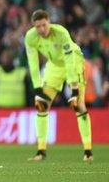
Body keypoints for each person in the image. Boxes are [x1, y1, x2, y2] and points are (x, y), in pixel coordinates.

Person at [25, 9, 93, 162]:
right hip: (54, 65)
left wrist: (74, 88)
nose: (42, 29)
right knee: (41, 104)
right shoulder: (30, 37)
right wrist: (37, 87)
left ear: (49, 21)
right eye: (38, 27)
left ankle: (88, 150)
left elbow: (69, 61)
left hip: (74, 61)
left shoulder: (61, 33)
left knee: (77, 105)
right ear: (33, 26)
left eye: (44, 25)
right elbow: (33, 62)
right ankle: (41, 151)